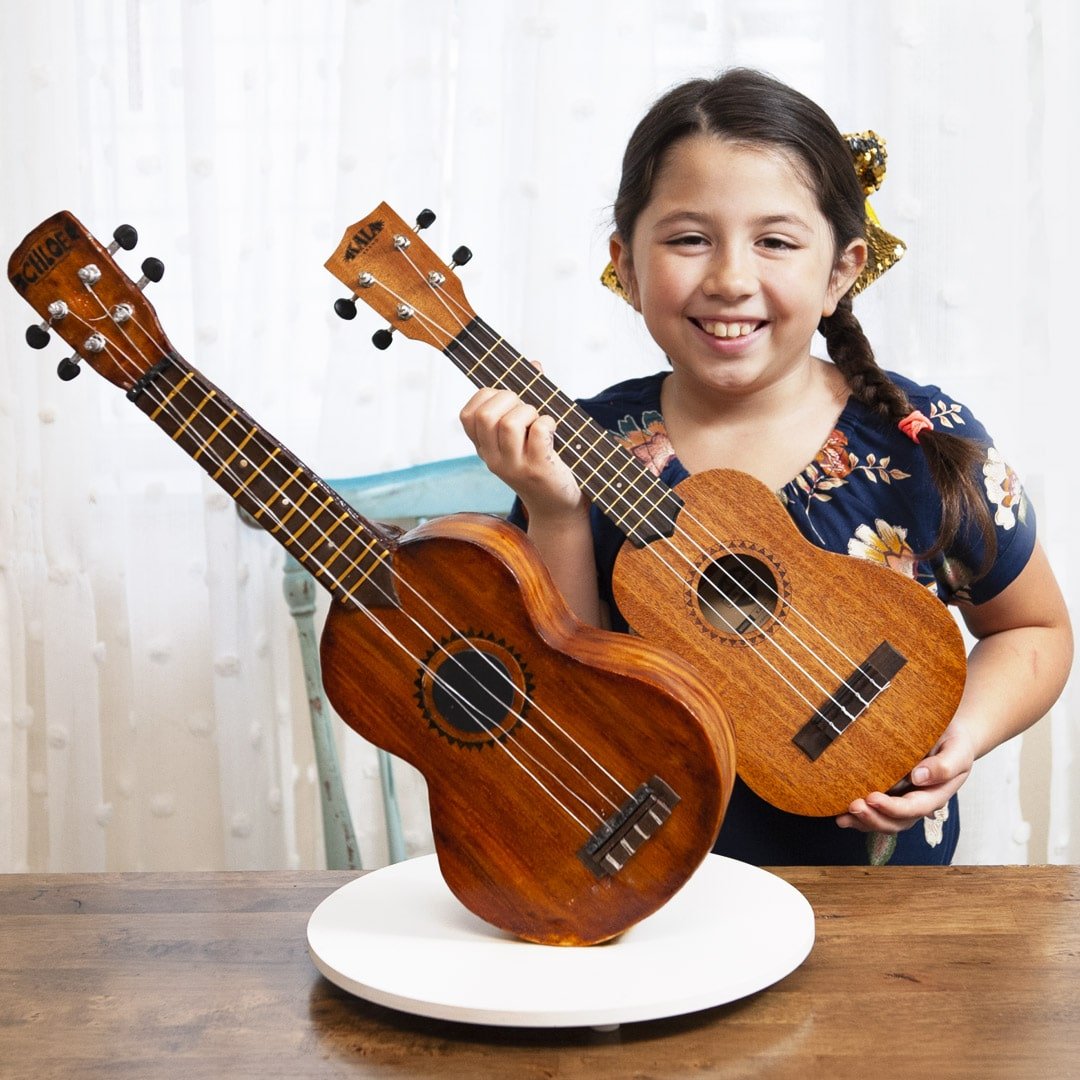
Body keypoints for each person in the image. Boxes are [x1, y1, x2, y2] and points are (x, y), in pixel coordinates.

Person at [458, 68, 1072, 865]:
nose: (731, 279)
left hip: (886, 918)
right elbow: (572, 700)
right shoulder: (588, 446)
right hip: (672, 891)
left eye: (775, 241)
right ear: (627, 263)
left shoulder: (918, 442)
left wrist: (959, 735)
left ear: (841, 271)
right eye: (688, 238)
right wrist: (553, 511)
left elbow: (1035, 627)